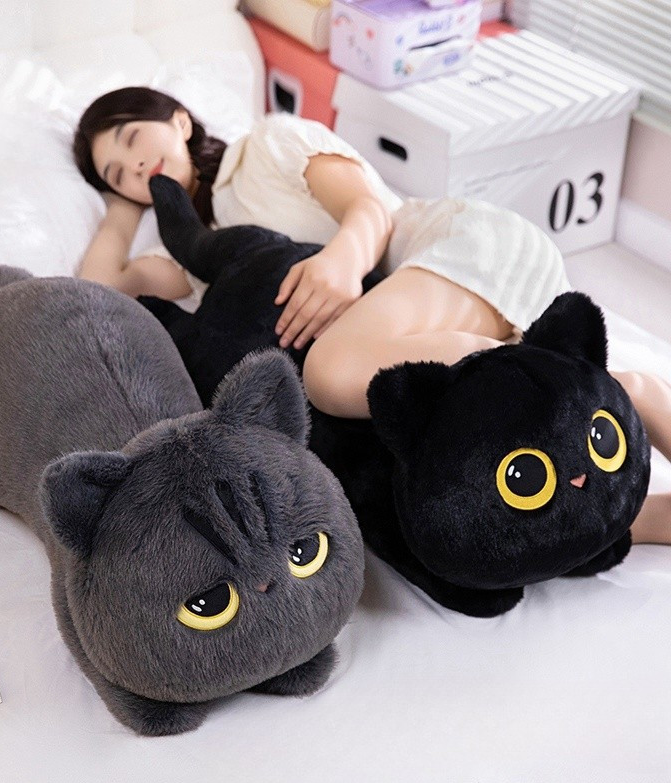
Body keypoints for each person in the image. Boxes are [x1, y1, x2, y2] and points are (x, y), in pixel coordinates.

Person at [73, 86, 671, 546]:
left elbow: (367, 207)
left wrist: (343, 261)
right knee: (466, 460)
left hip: (458, 247)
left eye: (132, 139)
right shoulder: (202, 255)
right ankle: (640, 517)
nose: (135, 166)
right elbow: (99, 288)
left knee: (330, 372)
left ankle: (624, 390)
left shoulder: (266, 145)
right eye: (117, 172)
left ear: (179, 119)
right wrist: (122, 209)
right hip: (433, 325)